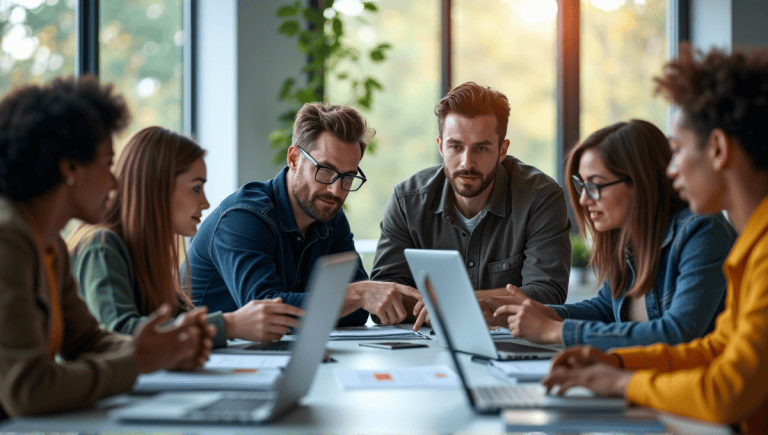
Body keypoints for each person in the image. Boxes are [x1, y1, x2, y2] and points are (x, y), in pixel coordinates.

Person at [541, 44, 768, 433]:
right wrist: (617, 363)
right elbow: (715, 350)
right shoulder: (752, 243)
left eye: (677, 151)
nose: (671, 169)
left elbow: (725, 391)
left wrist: (620, 383)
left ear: (717, 149)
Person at [0, 76, 213, 419]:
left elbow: (86, 341)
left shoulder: (48, 242)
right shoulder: (8, 240)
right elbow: (27, 389)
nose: (115, 182)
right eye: (106, 164)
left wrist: (163, 350)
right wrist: (138, 361)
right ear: (70, 167)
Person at [493, 119, 735, 350]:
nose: (584, 199)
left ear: (641, 183)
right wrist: (547, 313)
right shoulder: (626, 238)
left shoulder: (701, 232)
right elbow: (606, 308)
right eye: (582, 185)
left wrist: (554, 330)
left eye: (595, 185)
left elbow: (677, 334)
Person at [186, 102, 421, 326]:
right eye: (326, 170)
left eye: (348, 177)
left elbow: (356, 314)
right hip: (199, 358)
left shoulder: (330, 217)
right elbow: (265, 311)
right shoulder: (244, 217)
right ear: (294, 159)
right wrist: (353, 295)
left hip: (266, 354)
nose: (336, 190)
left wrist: (351, 298)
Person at [68, 126, 304, 348]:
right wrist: (230, 325)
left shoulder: (147, 254)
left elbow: (180, 324)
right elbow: (120, 332)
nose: (206, 202)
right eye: (195, 188)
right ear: (156, 188)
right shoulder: (101, 247)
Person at [370, 82, 572, 329]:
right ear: (440, 147)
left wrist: (455, 301)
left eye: (481, 148)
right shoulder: (407, 200)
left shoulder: (540, 198)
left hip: (511, 344)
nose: (467, 162)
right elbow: (382, 299)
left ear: (502, 150)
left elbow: (548, 295)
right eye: (456, 146)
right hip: (425, 348)